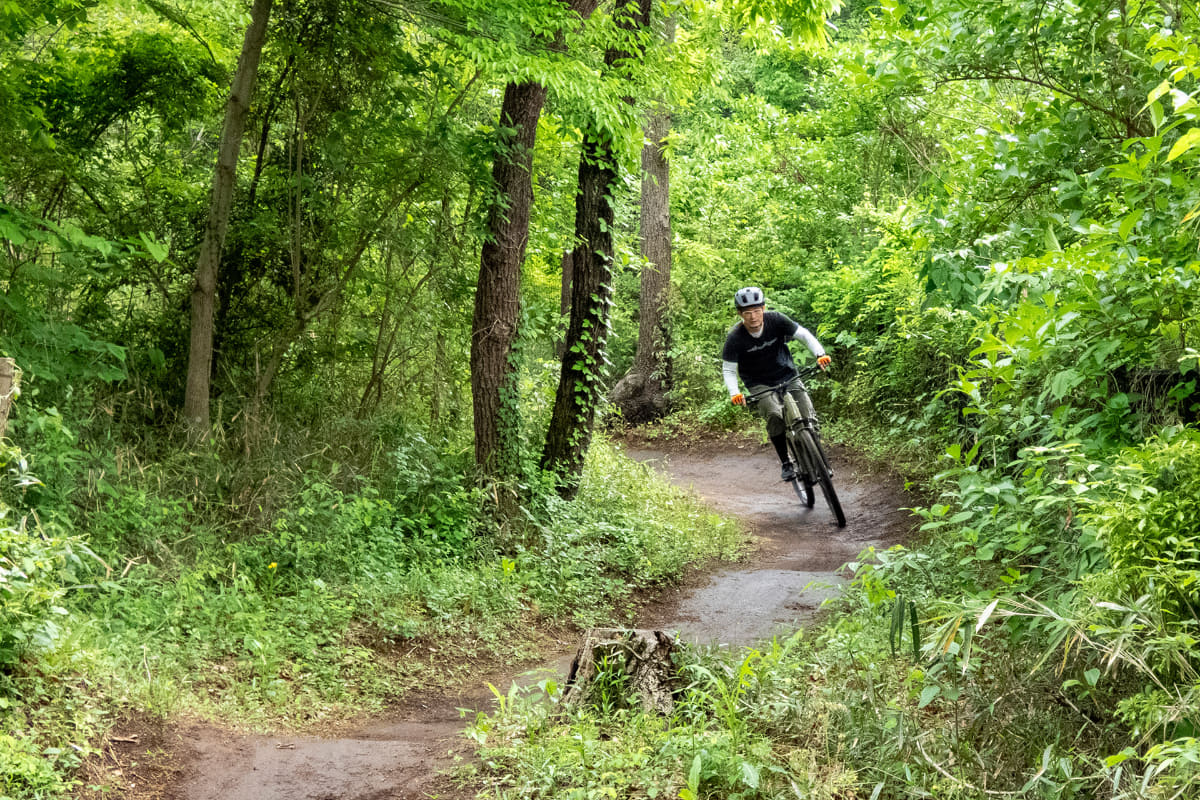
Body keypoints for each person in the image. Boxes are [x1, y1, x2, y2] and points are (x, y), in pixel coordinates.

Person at [721, 286, 832, 482]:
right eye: (748, 313)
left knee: (807, 414)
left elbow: (804, 335)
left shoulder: (777, 320)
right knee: (774, 415)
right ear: (740, 314)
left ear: (763, 308)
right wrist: (735, 392)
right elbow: (729, 369)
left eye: (757, 311)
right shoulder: (735, 337)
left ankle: (821, 462)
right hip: (759, 383)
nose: (753, 317)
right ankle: (786, 462)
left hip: (787, 374)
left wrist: (820, 354)